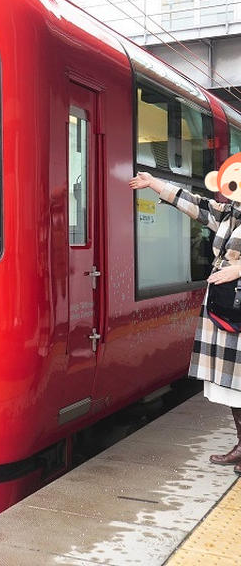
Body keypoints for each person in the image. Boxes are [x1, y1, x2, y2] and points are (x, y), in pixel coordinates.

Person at [129, 171, 241, 473]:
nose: (229, 191)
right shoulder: (229, 213)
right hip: (225, 307)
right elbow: (193, 202)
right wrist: (154, 183)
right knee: (231, 384)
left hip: (236, 302)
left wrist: (238, 269)